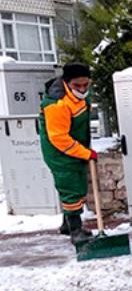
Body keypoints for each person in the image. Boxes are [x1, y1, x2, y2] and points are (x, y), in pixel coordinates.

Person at [39, 63, 96, 244]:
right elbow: (59, 138)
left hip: (75, 147)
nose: (82, 89)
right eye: (77, 85)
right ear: (66, 82)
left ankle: (66, 225)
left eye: (86, 84)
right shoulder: (58, 104)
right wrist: (85, 153)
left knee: (78, 184)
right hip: (60, 152)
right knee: (70, 187)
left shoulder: (79, 96)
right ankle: (76, 231)